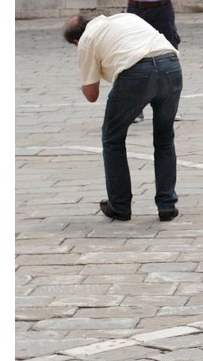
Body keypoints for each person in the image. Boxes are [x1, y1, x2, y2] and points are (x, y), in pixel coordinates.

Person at [63, 12, 183, 222]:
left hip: (136, 73)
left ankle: (120, 205)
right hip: (171, 65)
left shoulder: (86, 41)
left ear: (75, 40)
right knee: (164, 139)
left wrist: (88, 72)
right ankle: (167, 205)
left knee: (112, 138)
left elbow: (91, 95)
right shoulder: (126, 17)